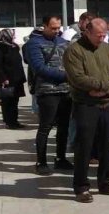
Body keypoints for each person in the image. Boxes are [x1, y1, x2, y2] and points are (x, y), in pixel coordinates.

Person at [63, 18, 109, 203]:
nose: (101, 38)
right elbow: (77, 78)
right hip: (85, 105)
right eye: (98, 35)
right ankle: (81, 186)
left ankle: (106, 182)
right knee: (85, 146)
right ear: (87, 32)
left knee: (107, 145)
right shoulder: (74, 50)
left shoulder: (107, 49)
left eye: (104, 35)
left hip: (108, 103)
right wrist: (104, 85)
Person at [25, 15, 73, 176]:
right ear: (44, 26)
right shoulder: (34, 44)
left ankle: (61, 158)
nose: (56, 31)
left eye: (58, 27)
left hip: (66, 91)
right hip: (47, 91)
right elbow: (39, 67)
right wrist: (66, 76)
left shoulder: (63, 42)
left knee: (64, 127)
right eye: (53, 28)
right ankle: (41, 161)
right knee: (46, 126)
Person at [0, 28, 26, 129]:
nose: (14, 37)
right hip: (7, 80)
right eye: (12, 35)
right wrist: (3, 78)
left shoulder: (14, 47)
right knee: (7, 102)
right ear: (6, 36)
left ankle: (14, 121)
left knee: (15, 101)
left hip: (17, 79)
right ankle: (8, 122)